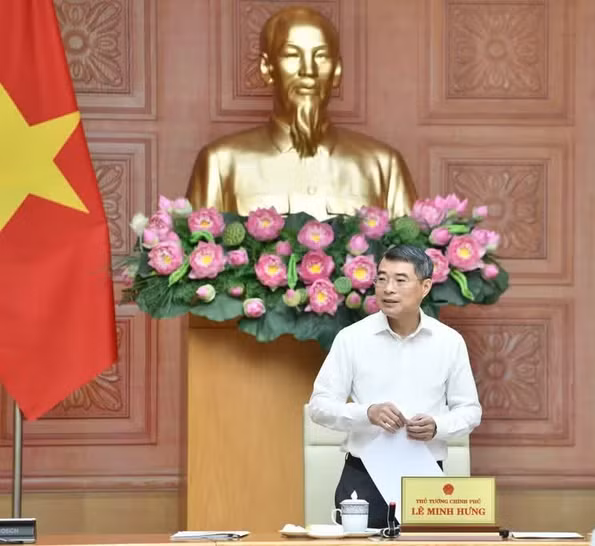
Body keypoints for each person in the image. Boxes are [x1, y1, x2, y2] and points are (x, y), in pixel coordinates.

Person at [308, 244, 482, 529]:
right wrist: (367, 413)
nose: (388, 289)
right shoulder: (351, 338)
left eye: (400, 280)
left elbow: (470, 411)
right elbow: (320, 406)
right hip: (363, 475)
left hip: (425, 476)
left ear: (425, 287)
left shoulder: (449, 342)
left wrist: (437, 426)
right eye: (381, 278)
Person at [186, 6, 417, 219]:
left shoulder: (384, 165)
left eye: (321, 56)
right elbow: (198, 253)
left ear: (337, 70)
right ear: (267, 68)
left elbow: (411, 258)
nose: (309, 70)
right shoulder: (220, 162)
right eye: (292, 55)